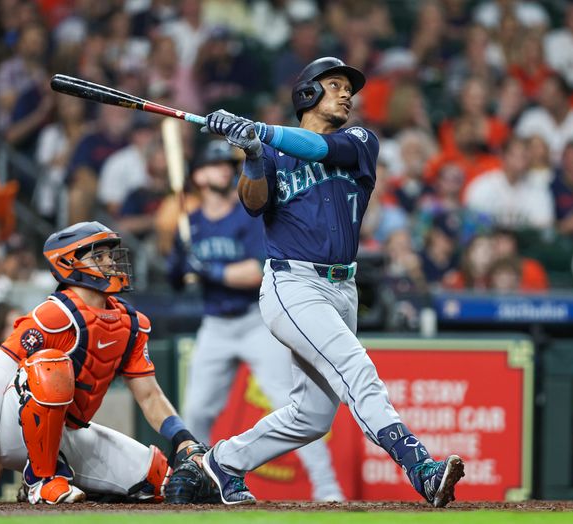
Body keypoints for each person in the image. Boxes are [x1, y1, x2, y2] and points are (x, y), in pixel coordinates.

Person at [199, 56, 465, 506]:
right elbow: (253, 204)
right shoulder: (272, 152)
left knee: (310, 418)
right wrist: (252, 155)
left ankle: (223, 462)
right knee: (355, 367)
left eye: (349, 88)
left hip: (344, 288)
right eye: (336, 84)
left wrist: (259, 131)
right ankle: (420, 465)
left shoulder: (360, 140)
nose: (347, 94)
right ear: (307, 94)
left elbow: (322, 150)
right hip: (293, 284)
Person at [0, 222, 218, 505]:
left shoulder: (130, 322)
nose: (111, 262)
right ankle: (40, 480)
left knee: (157, 479)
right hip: (14, 429)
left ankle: (68, 477)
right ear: (68, 264)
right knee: (51, 366)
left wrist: (182, 438)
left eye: (109, 255)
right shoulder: (54, 314)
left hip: (67, 432)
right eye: (98, 256)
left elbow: (150, 395)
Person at [170, 141, 343, 501]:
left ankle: (328, 489)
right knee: (196, 412)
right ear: (199, 176)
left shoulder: (246, 216)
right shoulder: (190, 224)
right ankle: (188, 484)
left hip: (254, 322)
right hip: (215, 325)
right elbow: (175, 277)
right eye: (215, 164)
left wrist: (209, 269)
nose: (225, 169)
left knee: (292, 406)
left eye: (226, 164)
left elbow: (254, 271)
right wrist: (182, 265)